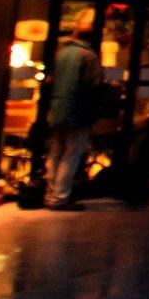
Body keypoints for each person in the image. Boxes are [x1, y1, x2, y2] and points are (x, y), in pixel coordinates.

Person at [42, 29, 102, 211]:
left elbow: (50, 81)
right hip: (77, 111)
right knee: (71, 155)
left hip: (57, 110)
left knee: (55, 153)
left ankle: (50, 195)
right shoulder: (88, 56)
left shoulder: (61, 54)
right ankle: (60, 198)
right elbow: (94, 83)